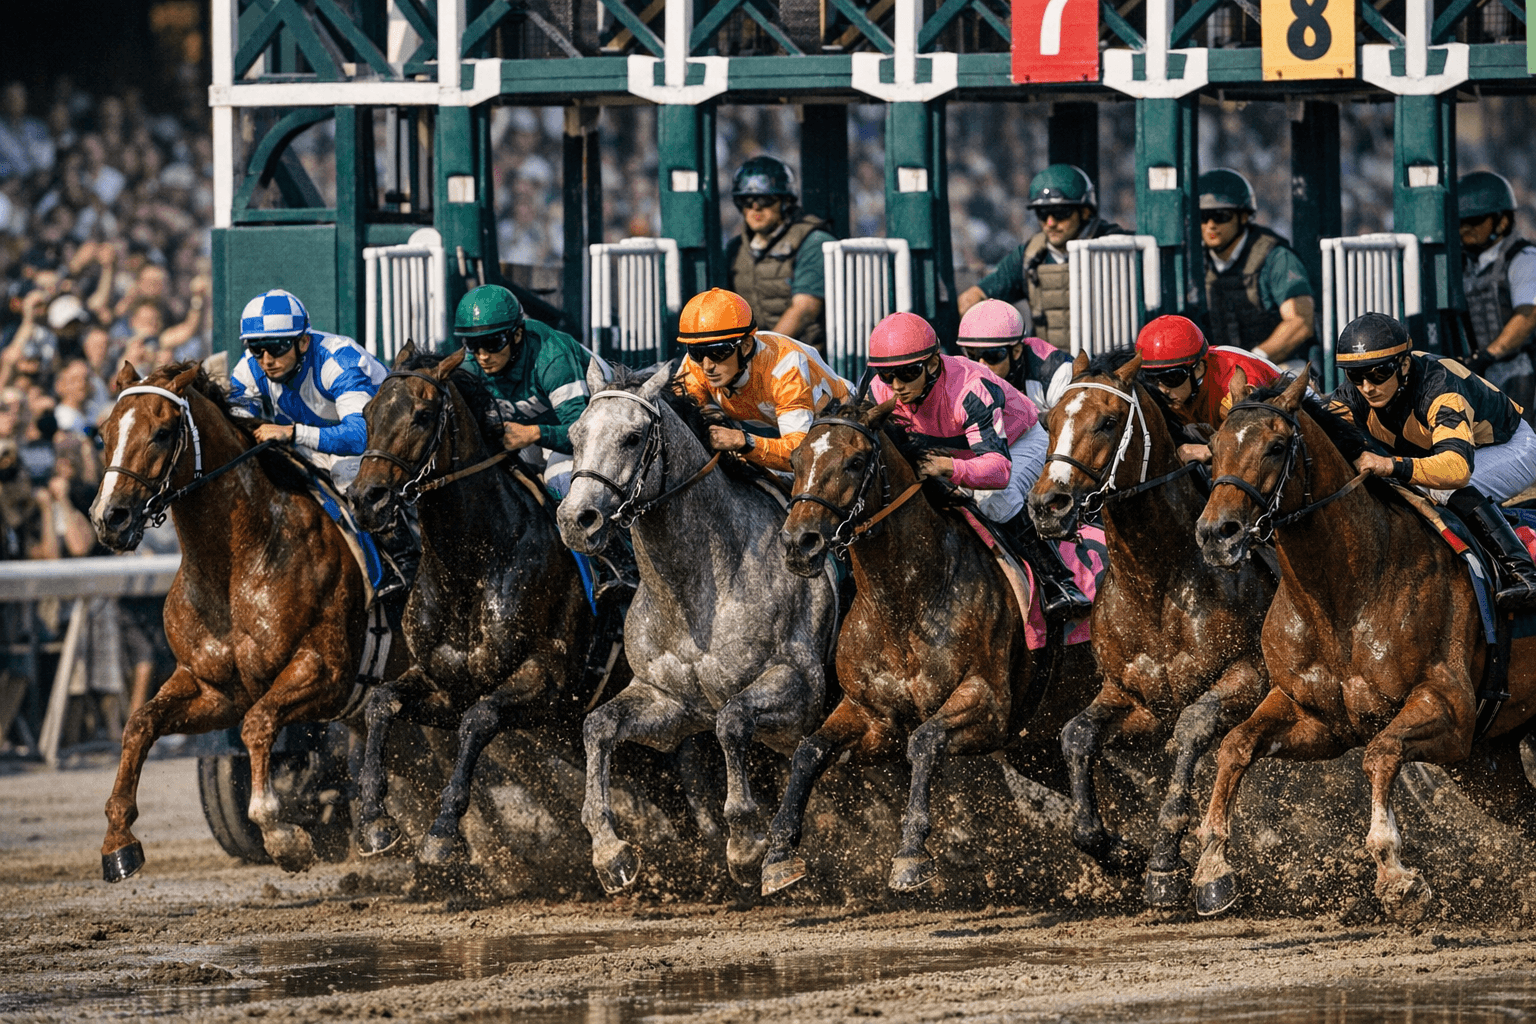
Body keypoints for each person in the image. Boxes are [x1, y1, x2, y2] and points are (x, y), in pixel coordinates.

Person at [865, 311, 1090, 617]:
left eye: (907, 373)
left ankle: (1058, 582)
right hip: (953, 452)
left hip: (1018, 443)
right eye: (886, 374)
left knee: (995, 498)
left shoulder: (969, 390)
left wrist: (948, 466)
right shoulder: (878, 391)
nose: (896, 386)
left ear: (932, 364)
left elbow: (998, 470)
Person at [1332, 312, 1536, 610]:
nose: (1367, 387)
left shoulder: (1438, 386)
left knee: (1439, 488)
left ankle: (1524, 574)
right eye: (1356, 375)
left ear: (1403, 364)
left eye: (1378, 374)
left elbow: (1456, 469)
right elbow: (1321, 429)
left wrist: (1390, 465)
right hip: (1449, 453)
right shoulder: (1355, 394)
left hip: (1512, 446)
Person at [227, 289, 411, 594]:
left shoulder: (337, 361)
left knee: (350, 476)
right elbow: (236, 423)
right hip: (317, 439)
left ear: (303, 342)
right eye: (257, 348)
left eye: (275, 347)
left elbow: (360, 436)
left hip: (383, 442)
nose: (266, 360)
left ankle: (401, 565)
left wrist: (294, 433)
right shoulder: (250, 367)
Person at [673, 287, 851, 475]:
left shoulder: (785, 365)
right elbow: (681, 429)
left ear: (746, 346)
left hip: (836, 430)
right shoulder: (695, 365)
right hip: (772, 429)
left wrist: (742, 441)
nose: (707, 366)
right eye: (697, 353)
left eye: (718, 352)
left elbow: (800, 456)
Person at [956, 164, 1127, 352]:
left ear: (1085, 211)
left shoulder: (1118, 246)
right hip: (1050, 371)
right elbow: (972, 298)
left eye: (1061, 213)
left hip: (1107, 372)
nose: (1050, 223)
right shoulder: (1030, 254)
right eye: (1043, 214)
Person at [453, 283, 591, 500]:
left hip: (590, 432)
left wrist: (536, 433)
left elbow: (586, 435)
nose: (483, 356)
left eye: (492, 343)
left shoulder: (552, 360)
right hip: (533, 433)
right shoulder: (470, 367)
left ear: (517, 335)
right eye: (473, 345)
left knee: (562, 483)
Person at [1197, 169, 1316, 366]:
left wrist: (1254, 360)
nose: (1210, 225)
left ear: (1243, 217)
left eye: (1220, 216)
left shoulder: (1277, 257)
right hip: (1218, 369)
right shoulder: (1194, 263)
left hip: (1277, 366)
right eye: (1203, 216)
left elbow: (1301, 322)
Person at [724, 156, 837, 354]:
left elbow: (805, 310)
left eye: (765, 200)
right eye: (747, 201)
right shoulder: (736, 248)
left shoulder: (813, 241)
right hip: (750, 357)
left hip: (805, 357)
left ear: (785, 201)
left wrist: (761, 353)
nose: (755, 208)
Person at [1135, 314, 1280, 465]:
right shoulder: (1177, 392)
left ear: (1198, 368)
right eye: (1151, 379)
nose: (1161, 390)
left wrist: (1209, 450)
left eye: (1171, 378)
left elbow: (1264, 443)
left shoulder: (1233, 386)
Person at [1457, 170, 1536, 418]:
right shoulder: (1463, 263)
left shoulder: (1524, 258)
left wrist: (1488, 354)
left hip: (1522, 369)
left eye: (1475, 220)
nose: (1465, 228)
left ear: (1501, 221)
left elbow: (1529, 314)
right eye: (1460, 221)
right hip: (1481, 372)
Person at [954, 298, 1072, 413]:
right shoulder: (957, 375)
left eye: (992, 355)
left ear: (1016, 352)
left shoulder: (1057, 374)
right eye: (971, 354)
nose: (981, 365)